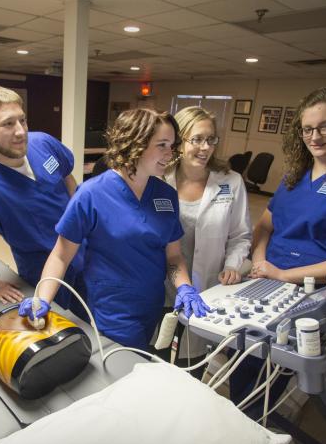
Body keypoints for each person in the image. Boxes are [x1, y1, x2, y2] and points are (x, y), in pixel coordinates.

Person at [19, 108, 210, 349]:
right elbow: (60, 255)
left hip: (151, 305)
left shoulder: (166, 195)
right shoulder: (91, 194)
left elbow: (173, 255)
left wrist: (185, 287)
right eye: (162, 145)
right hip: (110, 309)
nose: (170, 154)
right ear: (135, 145)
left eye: (172, 145)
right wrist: (41, 299)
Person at [232, 86, 326, 412]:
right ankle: (239, 419)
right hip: (265, 276)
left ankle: (254, 423)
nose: (315, 136)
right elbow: (264, 226)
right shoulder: (295, 175)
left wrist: (283, 273)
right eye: (308, 128)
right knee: (239, 351)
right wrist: (259, 258)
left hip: (309, 289)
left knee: (270, 365)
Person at [0, 85, 82, 308]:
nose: (21, 131)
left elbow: (67, 178)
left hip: (84, 249)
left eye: (22, 120)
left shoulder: (42, 142)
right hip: (43, 271)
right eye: (8, 124)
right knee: (70, 327)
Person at [163, 106, 251, 364]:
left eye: (211, 139)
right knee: (155, 357)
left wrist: (233, 265)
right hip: (160, 285)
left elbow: (240, 235)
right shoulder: (159, 177)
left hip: (205, 288)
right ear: (179, 142)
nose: (205, 148)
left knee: (191, 362)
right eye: (197, 139)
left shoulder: (231, 181)